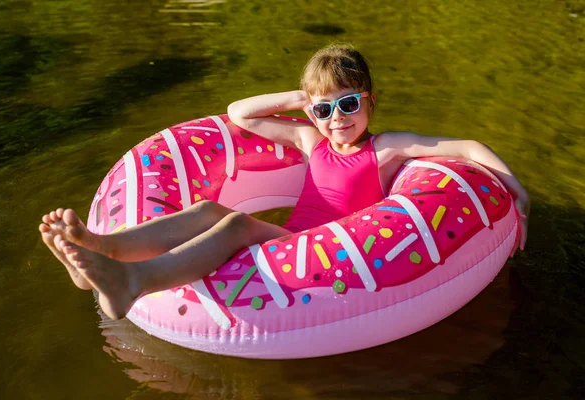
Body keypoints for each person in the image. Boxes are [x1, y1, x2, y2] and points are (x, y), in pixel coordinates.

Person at [39, 44, 530, 320]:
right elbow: (240, 114)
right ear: (310, 111)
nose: (337, 119)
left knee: (235, 226)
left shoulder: (382, 148)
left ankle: (134, 280)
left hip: (331, 255)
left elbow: (464, 148)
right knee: (213, 214)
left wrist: (519, 194)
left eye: (348, 104)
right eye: (325, 109)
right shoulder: (309, 140)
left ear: (370, 101)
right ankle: (103, 249)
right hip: (290, 246)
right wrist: (305, 95)